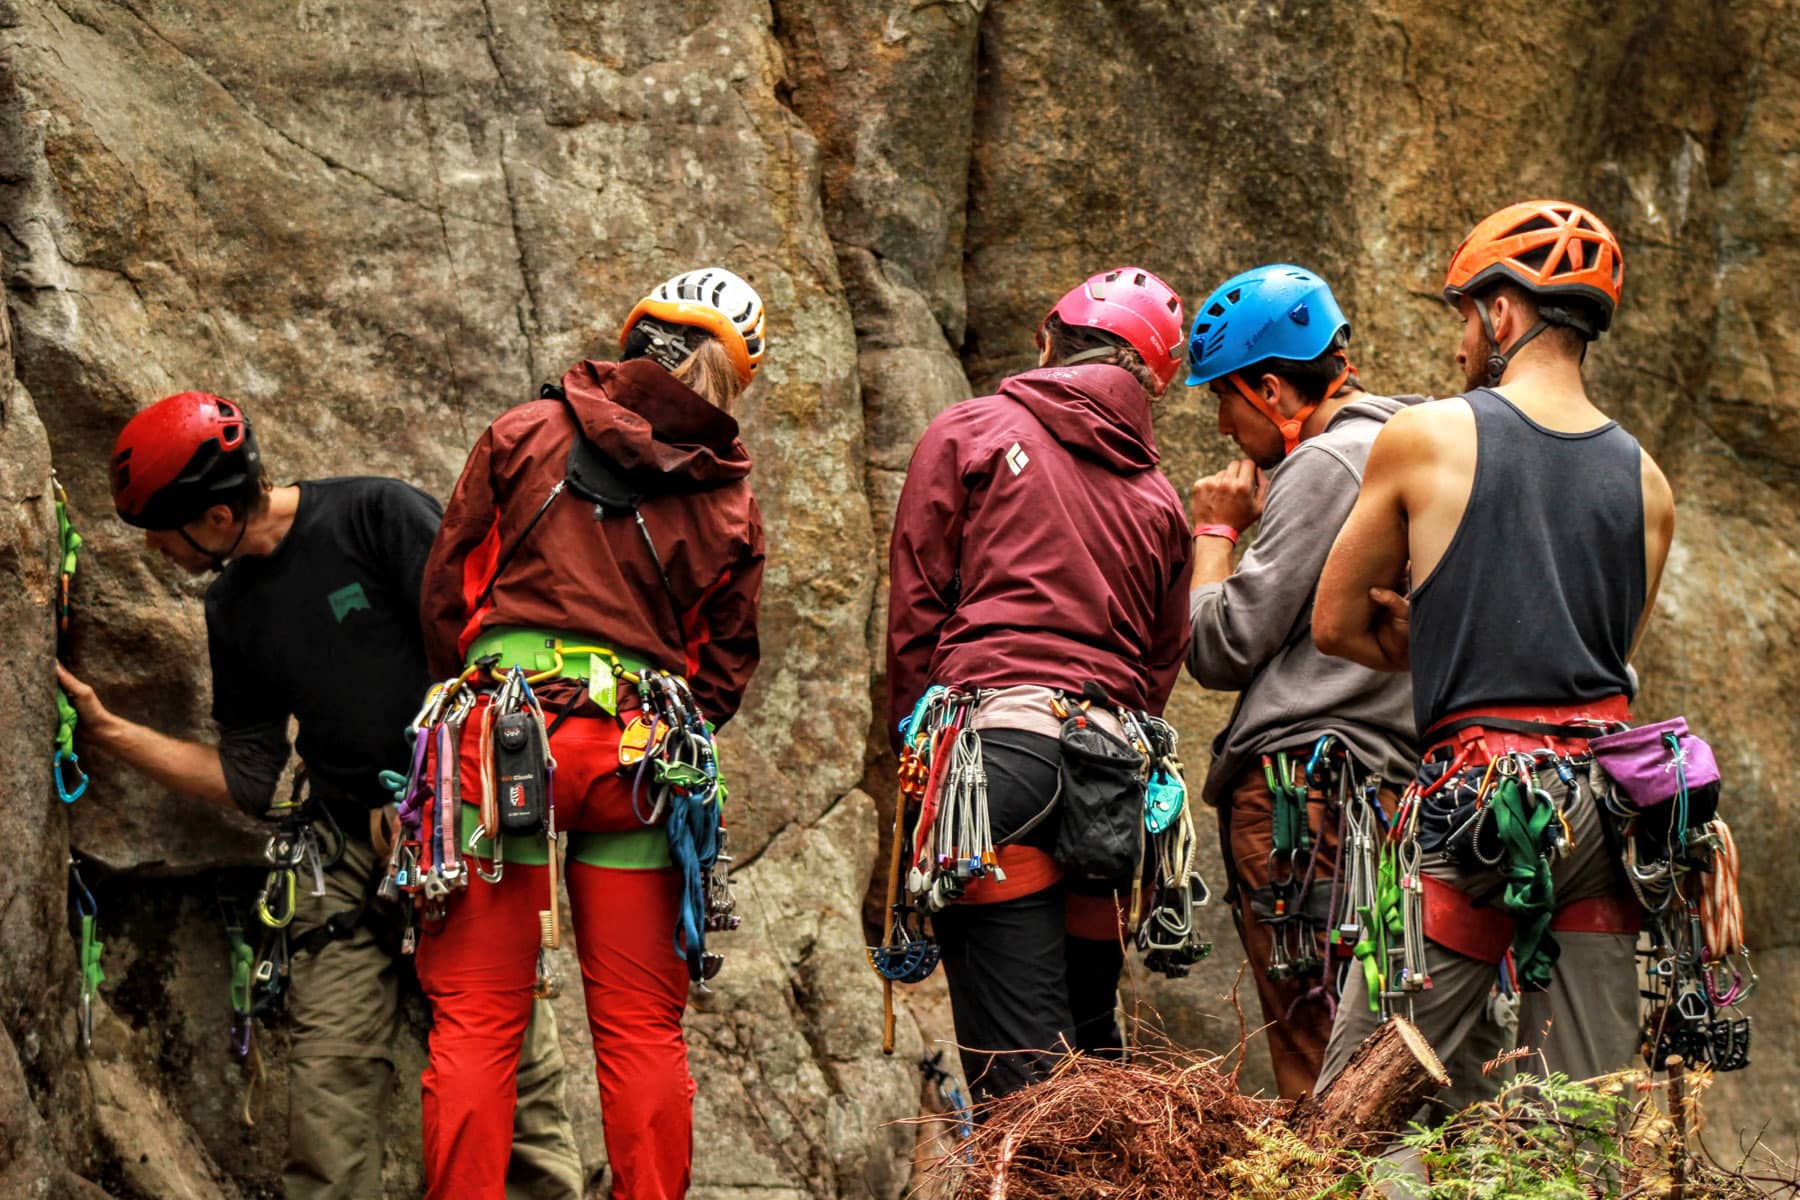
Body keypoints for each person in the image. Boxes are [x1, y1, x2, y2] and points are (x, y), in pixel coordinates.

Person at [56, 391, 581, 1199]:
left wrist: (432, 796)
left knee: (516, 1083)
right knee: (327, 1103)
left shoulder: (376, 516)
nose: (155, 547)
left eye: (161, 527)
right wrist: (108, 730)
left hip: (459, 830)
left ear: (219, 515)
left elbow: (493, 663)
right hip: (341, 858)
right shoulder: (231, 607)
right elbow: (250, 777)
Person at [1312, 200, 1675, 1110]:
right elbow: (1597, 658)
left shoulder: (1428, 435)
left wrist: (1432, 631)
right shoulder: (1649, 483)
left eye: (1461, 320)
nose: (1459, 346)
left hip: (1480, 801)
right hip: (1605, 808)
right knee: (1584, 1119)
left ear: (1502, 314)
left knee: (1364, 1105)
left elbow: (1336, 623)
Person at [415, 267, 767, 1199]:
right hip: (638, 757)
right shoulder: (726, 497)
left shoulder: (525, 432)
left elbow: (450, 591)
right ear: (735, 377)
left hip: (503, 736)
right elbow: (724, 666)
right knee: (643, 1027)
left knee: (478, 1020)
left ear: (634, 333)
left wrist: (481, 676)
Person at [886, 266, 1194, 1102]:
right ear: (1149, 389)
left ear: (1050, 342)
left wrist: (915, 772)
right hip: (1110, 775)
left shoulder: (972, 432)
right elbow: (1161, 663)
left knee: (1020, 1083)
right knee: (1090, 1052)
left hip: (996, 762)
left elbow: (917, 611)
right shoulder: (1160, 498)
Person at [1182, 264, 1421, 1099]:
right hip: (1380, 793)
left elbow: (1219, 644)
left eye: (1224, 398)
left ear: (1274, 388)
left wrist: (1215, 529)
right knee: (1369, 1034)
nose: (1220, 423)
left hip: (1301, 791)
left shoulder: (1331, 462)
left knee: (1313, 1048)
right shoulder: (1413, 451)